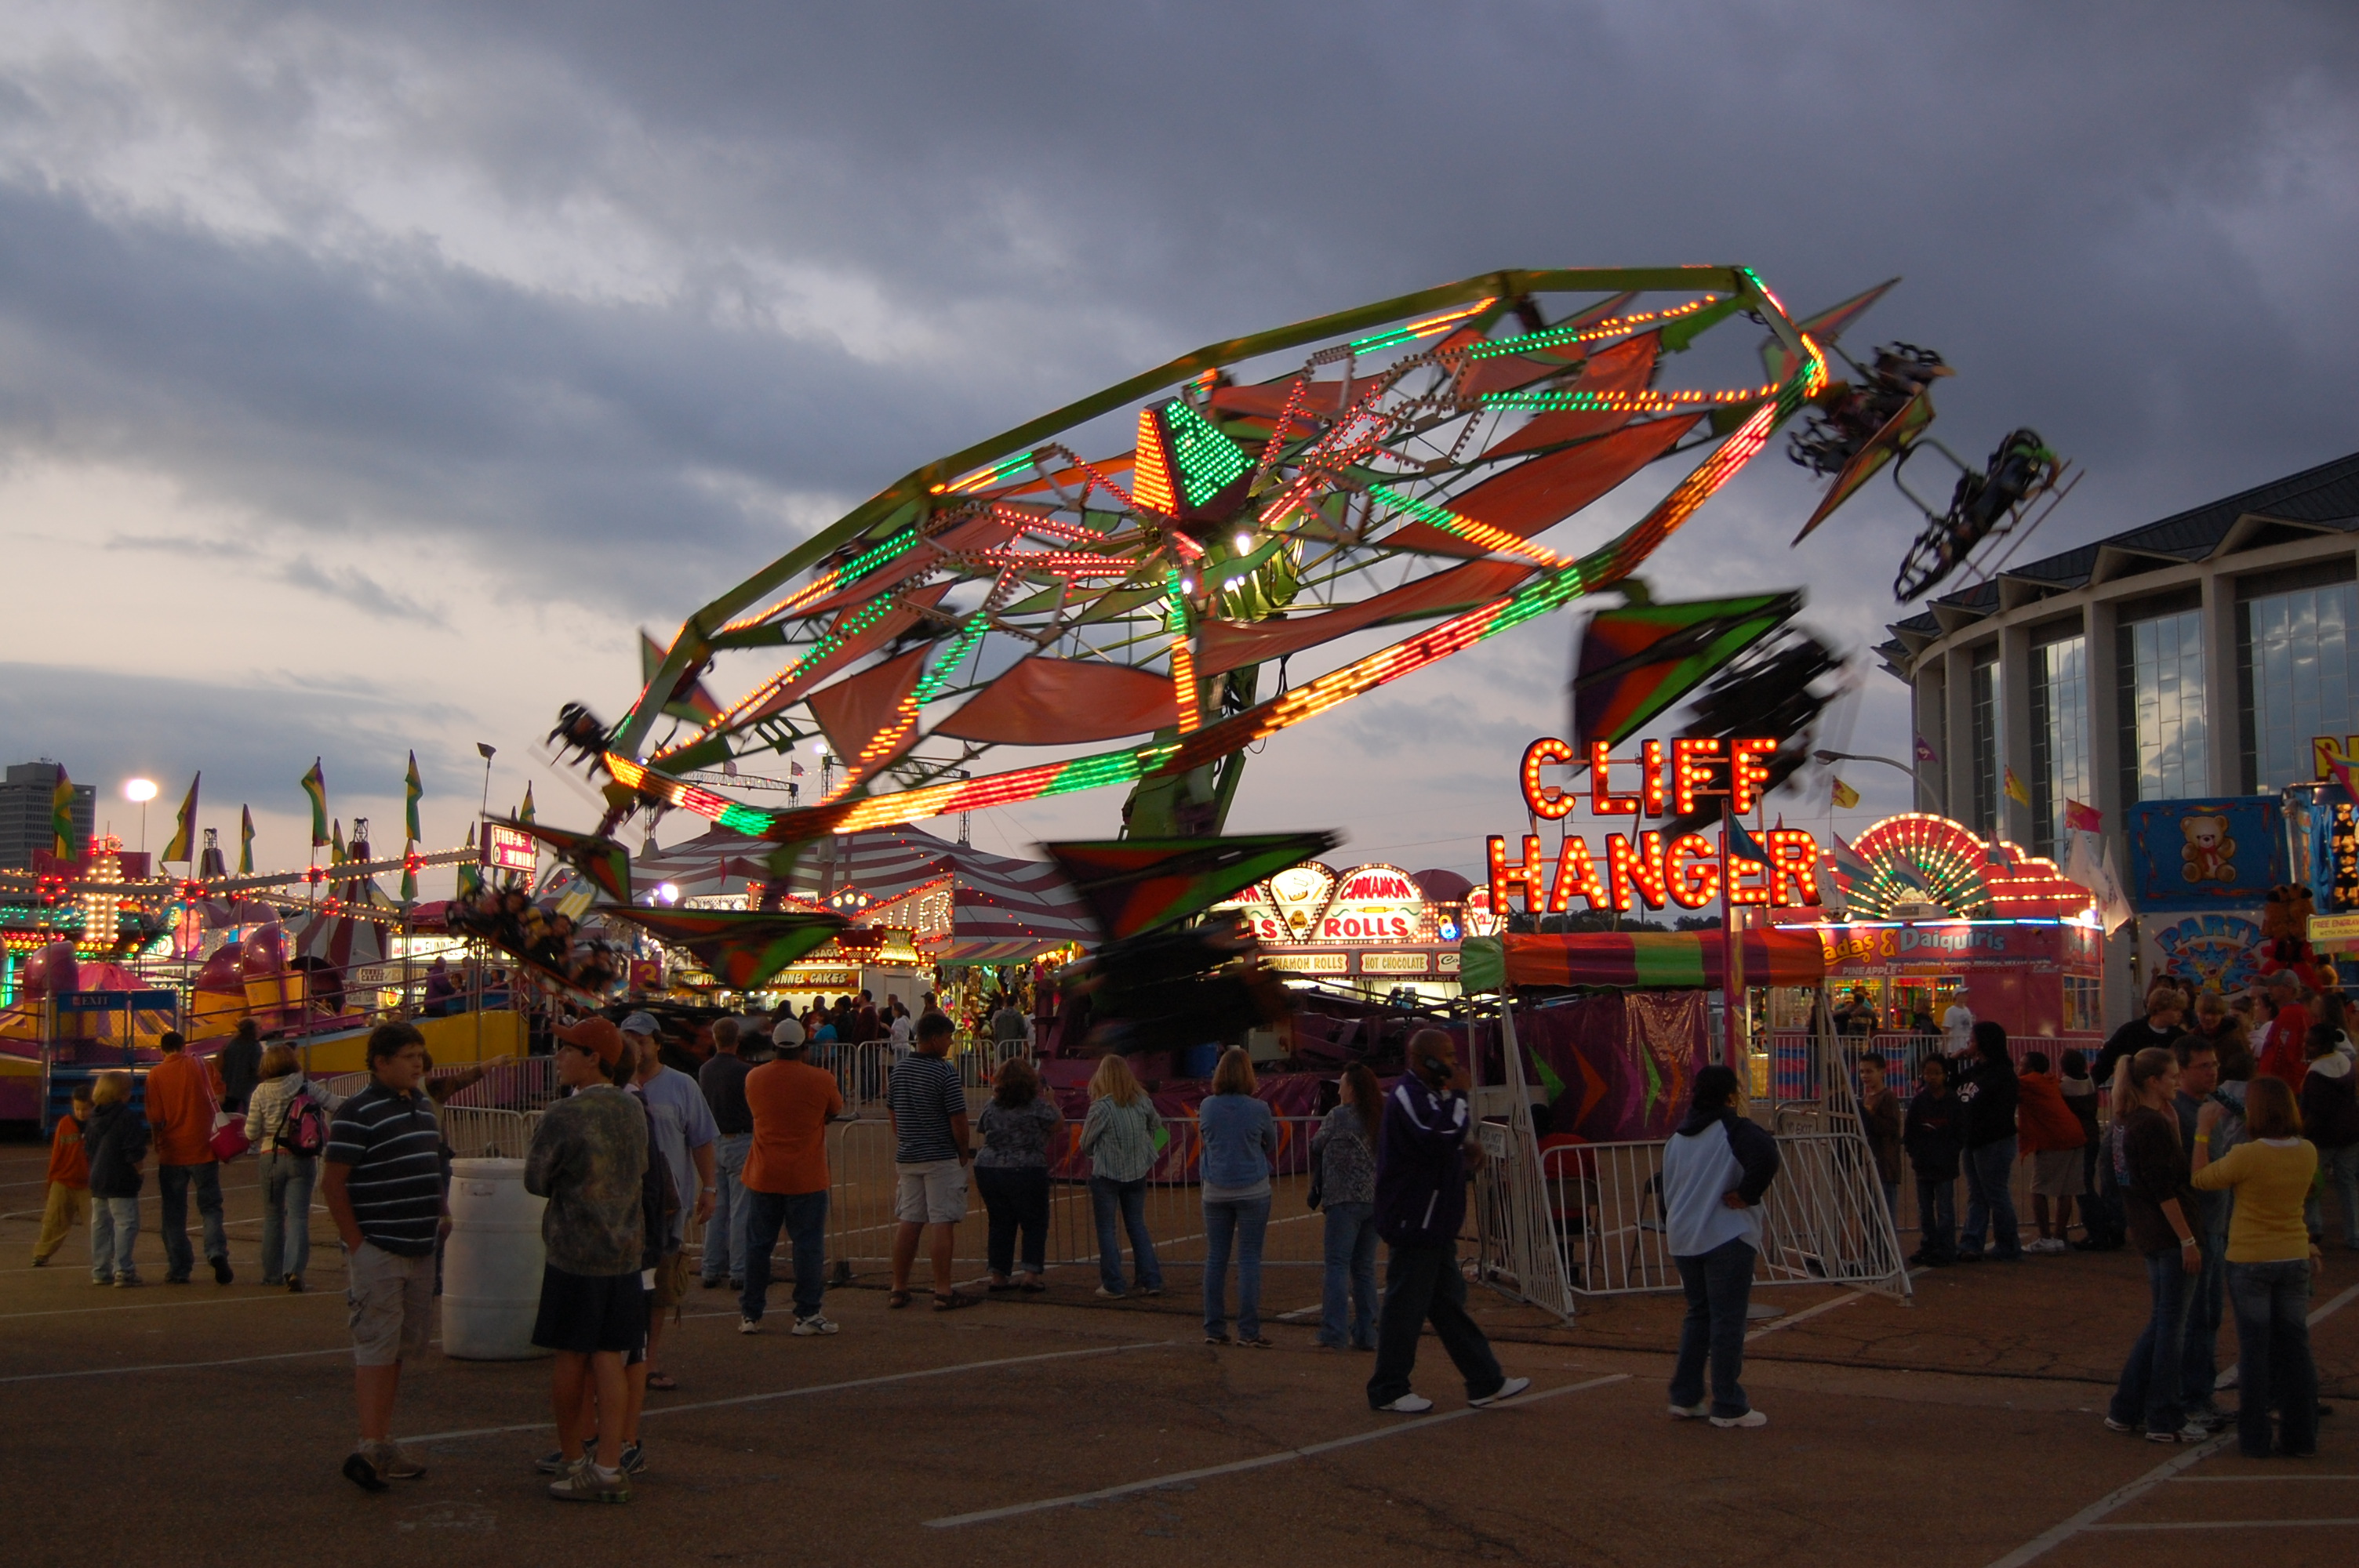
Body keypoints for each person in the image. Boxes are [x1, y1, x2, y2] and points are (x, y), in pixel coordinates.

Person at [1367, 1029, 1528, 1414]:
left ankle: (1485, 1380)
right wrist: (1459, 1095)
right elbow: (1436, 1135)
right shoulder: (1409, 1095)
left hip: (1433, 1219)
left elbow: (1438, 1142)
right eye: (1449, 1056)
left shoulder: (1427, 1095)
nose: (1456, 1064)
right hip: (1414, 1219)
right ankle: (1388, 1387)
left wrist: (1464, 1151)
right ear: (1427, 1061)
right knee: (1405, 1304)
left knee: (1446, 1304)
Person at [525, 1017, 651, 1503]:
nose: (559, 1056)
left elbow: (536, 1179)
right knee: (610, 1358)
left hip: (575, 1252)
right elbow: (640, 1169)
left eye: (566, 1049)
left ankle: (574, 1456)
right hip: (623, 1251)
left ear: (594, 1057)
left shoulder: (564, 1114)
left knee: (569, 1355)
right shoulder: (633, 1108)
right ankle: (608, 1464)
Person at [322, 1022, 444, 1490]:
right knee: (375, 1345)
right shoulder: (357, 1113)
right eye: (409, 1055)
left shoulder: (421, 1107)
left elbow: (431, 1166)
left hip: (419, 1247)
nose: (418, 1063)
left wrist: (442, 1211)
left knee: (398, 1349)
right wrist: (359, 1243)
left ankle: (382, 1441)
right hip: (380, 1248)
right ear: (381, 1062)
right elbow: (334, 1182)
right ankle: (370, 1444)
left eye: (421, 1055)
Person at [2192, 1076, 2321, 1459]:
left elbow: (2202, 1179)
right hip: (2293, 1253)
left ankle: (2255, 1438)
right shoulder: (2308, 1151)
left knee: (2255, 1350)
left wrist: (2202, 1133)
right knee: (2296, 1347)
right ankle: (2302, 1436)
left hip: (2251, 1258)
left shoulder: (2247, 1154)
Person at [1660, 1064, 1782, 1428]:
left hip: (1684, 1236)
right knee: (1728, 1320)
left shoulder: (1678, 1138)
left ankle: (1686, 1396)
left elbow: (1669, 1189)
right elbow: (1767, 1156)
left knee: (1699, 1315)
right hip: (1725, 1235)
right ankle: (1728, 1403)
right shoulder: (1733, 1128)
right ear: (1731, 1095)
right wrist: (1746, 1194)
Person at [2105, 1047, 2209, 1443]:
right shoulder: (2147, 1125)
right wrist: (2187, 1239)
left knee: (2162, 1322)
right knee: (2171, 1327)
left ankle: (2127, 1408)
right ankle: (2164, 1416)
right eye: (2171, 1077)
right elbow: (2165, 1188)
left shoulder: (2127, 1122)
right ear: (2153, 1081)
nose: (2176, 1083)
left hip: (2150, 1231)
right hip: (2167, 1233)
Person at [623, 1011, 716, 1392]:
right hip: (621, 1208)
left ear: (657, 1044)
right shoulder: (610, 1086)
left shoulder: (682, 1087)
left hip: (665, 1207)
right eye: (627, 1040)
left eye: (641, 1040)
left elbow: (702, 1140)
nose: (634, 1047)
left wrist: (709, 1189)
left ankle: (647, 1362)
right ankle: (619, 1364)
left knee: (658, 1289)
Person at [738, 1018, 844, 1334]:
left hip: (763, 1173)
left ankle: (750, 1313)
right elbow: (835, 1109)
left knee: (758, 1246)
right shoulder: (821, 1079)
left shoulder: (755, 1078)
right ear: (803, 1047)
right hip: (805, 1176)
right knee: (807, 1246)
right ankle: (807, 1313)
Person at [887, 1010, 978, 1311]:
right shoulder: (944, 1072)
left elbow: (893, 1112)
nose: (951, 1044)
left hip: (909, 1154)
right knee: (942, 1220)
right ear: (936, 1038)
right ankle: (943, 1289)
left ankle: (899, 1286)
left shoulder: (899, 1070)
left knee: (909, 1220)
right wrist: (963, 1151)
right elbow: (958, 1118)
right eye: (949, 1037)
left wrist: (905, 1135)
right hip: (940, 1155)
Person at [2167, 1036, 2232, 1429]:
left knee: (2209, 1316)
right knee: (2195, 1318)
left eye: (2214, 1065)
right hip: (2197, 1231)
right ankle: (2192, 1397)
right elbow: (2192, 1178)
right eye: (2204, 1066)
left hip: (2217, 1228)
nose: (2213, 1072)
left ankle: (2199, 1393)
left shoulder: (2208, 1108)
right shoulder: (2183, 1114)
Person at [244, 1043, 346, 1290]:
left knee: (272, 1217)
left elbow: (250, 1133)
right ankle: (294, 1272)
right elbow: (336, 1104)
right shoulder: (305, 1086)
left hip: (270, 1157)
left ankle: (271, 1274)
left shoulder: (260, 1092)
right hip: (302, 1157)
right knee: (299, 1216)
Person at [1199, 1046, 1277, 1348]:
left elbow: (1206, 1137)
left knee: (1216, 1258)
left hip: (1216, 1189)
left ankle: (1214, 1327)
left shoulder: (1207, 1106)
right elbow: (1269, 1142)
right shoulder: (1259, 1109)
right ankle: (1248, 1330)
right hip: (1253, 1188)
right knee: (1249, 1259)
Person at [145, 1030, 232, 1285]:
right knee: (210, 1207)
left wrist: (157, 1142)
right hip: (204, 1147)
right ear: (183, 1046)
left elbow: (155, 1117)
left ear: (162, 1050)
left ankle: (179, 1268)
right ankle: (216, 1251)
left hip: (173, 1152)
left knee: (173, 1212)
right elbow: (220, 1097)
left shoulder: (156, 1075)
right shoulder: (201, 1066)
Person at [1078, 1052, 1164, 1298]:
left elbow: (1085, 1143)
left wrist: (1098, 1152)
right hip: (1137, 1171)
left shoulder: (1101, 1107)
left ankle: (1114, 1283)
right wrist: (1147, 1150)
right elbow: (1158, 1127)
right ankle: (1151, 1279)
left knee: (1107, 1230)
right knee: (1137, 1225)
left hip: (1107, 1172)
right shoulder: (1142, 1101)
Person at [974, 1056, 1060, 1293]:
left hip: (990, 1167)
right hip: (1027, 1166)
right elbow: (1057, 1123)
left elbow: (982, 1127)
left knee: (1000, 1223)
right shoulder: (1037, 1106)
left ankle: (998, 1275)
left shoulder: (992, 1106)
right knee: (1034, 1222)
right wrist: (1051, 1102)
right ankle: (1031, 1274)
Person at [1311, 1062, 1382, 1351]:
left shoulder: (1338, 1116)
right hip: (1374, 1199)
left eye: (1341, 1084)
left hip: (1343, 1199)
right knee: (1364, 1268)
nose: (1338, 1089)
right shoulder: (1378, 1116)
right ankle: (1366, 1333)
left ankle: (1334, 1332)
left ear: (1351, 1088)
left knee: (1337, 1265)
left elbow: (1317, 1144)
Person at [697, 1017, 757, 1292]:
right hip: (740, 1138)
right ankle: (739, 1270)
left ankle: (710, 1267)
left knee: (717, 1208)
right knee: (740, 1209)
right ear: (737, 1040)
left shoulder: (706, 1070)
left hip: (715, 1139)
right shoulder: (745, 1071)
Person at [1954, 1022, 2022, 1262]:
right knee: (1978, 1194)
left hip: (1993, 1141)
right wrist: (1955, 1058)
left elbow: (1998, 1113)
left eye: (1972, 1040)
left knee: (1995, 1193)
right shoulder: (1975, 1071)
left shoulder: (2002, 1074)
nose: (1968, 1044)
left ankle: (2008, 1244)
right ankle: (1972, 1242)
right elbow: (1948, 1080)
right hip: (1974, 1141)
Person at [2016, 1050, 2086, 1254]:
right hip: (2075, 1135)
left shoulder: (2030, 1082)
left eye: (2021, 1064)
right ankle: (2059, 1236)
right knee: (2066, 1191)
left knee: (2039, 1190)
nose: (2018, 1068)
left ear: (2029, 1069)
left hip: (2054, 1139)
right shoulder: (2049, 1081)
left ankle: (2046, 1238)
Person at [2298, 1022, 2359, 1250]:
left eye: (2310, 1043)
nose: (2306, 1047)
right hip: (2350, 1135)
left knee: (2311, 1184)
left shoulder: (2316, 1074)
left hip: (2322, 1139)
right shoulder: (2346, 1063)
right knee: (2347, 1184)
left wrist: (2302, 1134)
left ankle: (2314, 1228)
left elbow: (2315, 1112)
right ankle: (2354, 1234)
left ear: (2323, 1045)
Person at [84, 1072, 147, 1287]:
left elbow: (89, 1150)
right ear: (121, 1093)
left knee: (100, 1225)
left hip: (98, 1177)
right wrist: (139, 1172)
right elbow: (133, 1151)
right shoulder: (126, 1117)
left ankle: (100, 1269)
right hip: (121, 1178)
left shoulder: (94, 1117)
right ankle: (123, 1269)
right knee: (126, 1223)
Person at [1903, 1055, 1962, 1265]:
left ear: (1945, 1075)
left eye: (1937, 1073)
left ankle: (1946, 1248)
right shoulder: (1920, 1100)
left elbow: (1960, 1132)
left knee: (1945, 1209)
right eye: (1928, 1073)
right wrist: (1914, 1152)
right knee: (1925, 1209)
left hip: (1944, 1163)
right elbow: (1909, 1131)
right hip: (1924, 1163)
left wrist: (1951, 1151)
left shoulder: (1953, 1101)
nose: (1932, 1077)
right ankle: (1928, 1244)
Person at [31, 1082, 93, 1268]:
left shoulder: (97, 1125)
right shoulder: (65, 1124)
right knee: (53, 1221)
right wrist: (51, 1182)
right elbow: (57, 1155)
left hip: (88, 1184)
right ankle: (42, 1254)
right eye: (77, 1108)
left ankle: (106, 1255)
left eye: (85, 1109)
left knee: (96, 1224)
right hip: (63, 1180)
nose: (81, 1113)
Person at [2097, 989, 2186, 1090]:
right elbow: (2107, 1057)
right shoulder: (2131, 1031)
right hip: (2136, 1090)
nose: (2180, 1014)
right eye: (2175, 1010)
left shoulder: (2180, 1037)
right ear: (2159, 1009)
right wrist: (2093, 1083)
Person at [1855, 1051, 1902, 1225]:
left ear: (1882, 1072)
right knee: (1873, 1212)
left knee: (1885, 1214)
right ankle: (1876, 1248)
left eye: (1869, 1071)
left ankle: (1889, 1250)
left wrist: (1867, 1115)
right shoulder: (1867, 1096)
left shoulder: (1888, 1097)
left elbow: (1891, 1127)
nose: (1865, 1076)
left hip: (1885, 1164)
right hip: (1872, 1162)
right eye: (1862, 1072)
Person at [2256, 975, 2312, 1091]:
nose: (2269, 989)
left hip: (2283, 1084)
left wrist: (2270, 1079)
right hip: (2290, 1082)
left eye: (2274, 986)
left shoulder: (2290, 1014)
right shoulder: (2296, 1011)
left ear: (2289, 989)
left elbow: (2283, 1051)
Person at [217, 1018, 263, 1112]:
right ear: (252, 1030)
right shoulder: (254, 1046)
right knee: (250, 1114)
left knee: (228, 1115)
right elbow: (257, 1067)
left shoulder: (231, 1044)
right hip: (248, 1088)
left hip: (229, 1086)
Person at [1940, 991, 1975, 1057]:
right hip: (1955, 1047)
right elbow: (1946, 1030)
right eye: (1963, 994)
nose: (1966, 996)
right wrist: (1944, 1048)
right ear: (1956, 996)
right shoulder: (1950, 1011)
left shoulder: (1967, 1010)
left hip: (1966, 1046)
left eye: (1966, 994)